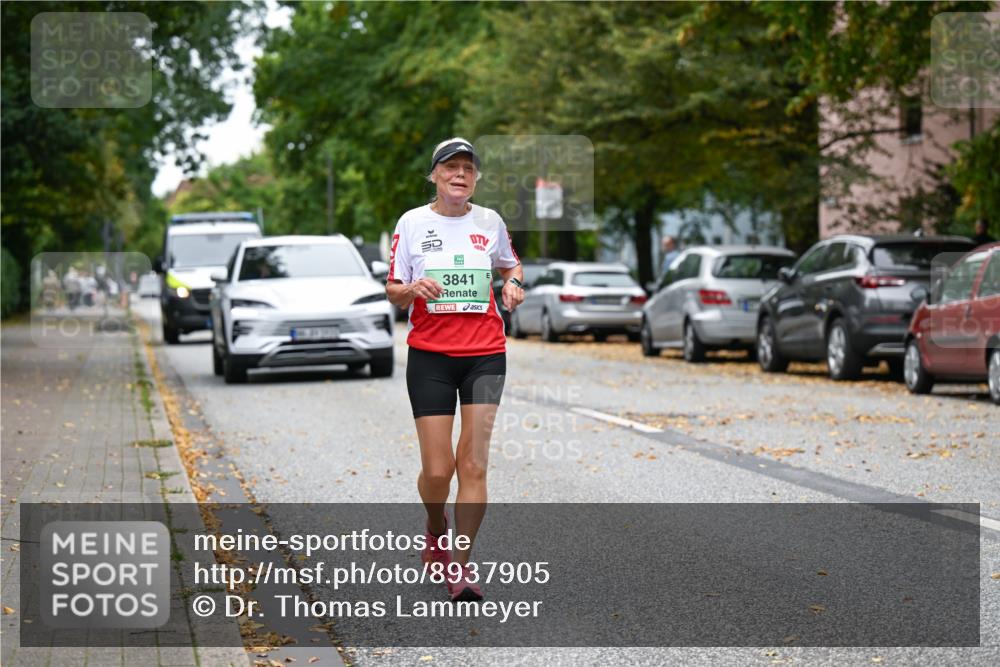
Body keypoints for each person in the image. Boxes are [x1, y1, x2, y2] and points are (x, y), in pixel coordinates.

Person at [386, 138, 524, 602]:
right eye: (450, 168)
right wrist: (412, 289)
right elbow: (392, 289)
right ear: (435, 176)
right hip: (431, 355)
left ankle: (460, 568)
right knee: (439, 470)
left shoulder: (490, 222)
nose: (459, 174)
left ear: (475, 178)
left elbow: (510, 265)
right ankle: (433, 526)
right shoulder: (412, 222)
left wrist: (514, 285)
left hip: (485, 353)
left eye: (467, 168)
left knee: (474, 464)